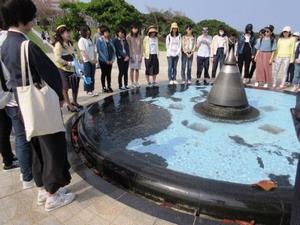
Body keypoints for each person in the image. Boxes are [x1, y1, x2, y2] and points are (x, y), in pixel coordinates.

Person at [0, 0, 75, 211]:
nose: (35, 19)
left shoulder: (6, 44)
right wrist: (60, 96)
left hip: (23, 104)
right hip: (40, 104)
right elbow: (50, 73)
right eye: (32, 15)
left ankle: (43, 189)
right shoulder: (27, 45)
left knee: (35, 147)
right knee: (52, 147)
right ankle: (53, 195)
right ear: (22, 18)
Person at [0, 20, 18, 171]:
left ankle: (9, 157)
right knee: (4, 129)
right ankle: (8, 160)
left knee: (6, 127)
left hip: (4, 94)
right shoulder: (4, 39)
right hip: (3, 96)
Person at [53, 25, 82, 112]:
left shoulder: (70, 43)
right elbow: (57, 58)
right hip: (64, 69)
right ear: (61, 34)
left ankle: (74, 101)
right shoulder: (58, 44)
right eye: (66, 32)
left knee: (75, 85)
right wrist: (67, 63)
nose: (68, 34)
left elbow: (75, 53)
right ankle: (69, 105)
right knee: (65, 87)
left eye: (68, 32)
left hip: (73, 68)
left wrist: (79, 60)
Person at [78, 25, 98, 96]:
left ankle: (92, 89)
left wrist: (95, 59)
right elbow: (83, 52)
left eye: (88, 30)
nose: (88, 31)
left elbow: (94, 50)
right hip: (86, 61)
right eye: (86, 30)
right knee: (88, 76)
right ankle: (88, 90)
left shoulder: (90, 39)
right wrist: (90, 60)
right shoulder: (81, 40)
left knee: (92, 76)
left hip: (93, 61)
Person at [96, 25, 115, 93]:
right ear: (102, 33)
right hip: (103, 61)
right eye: (105, 32)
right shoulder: (99, 40)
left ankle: (109, 86)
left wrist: (112, 60)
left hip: (110, 61)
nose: (107, 33)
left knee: (109, 74)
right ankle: (104, 87)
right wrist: (106, 60)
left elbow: (113, 51)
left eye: (108, 32)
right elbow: (99, 51)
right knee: (104, 73)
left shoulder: (110, 40)